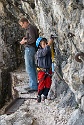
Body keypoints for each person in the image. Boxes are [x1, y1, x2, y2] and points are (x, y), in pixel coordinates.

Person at [19, 17, 39, 92]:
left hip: (30, 49)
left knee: (29, 67)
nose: (22, 27)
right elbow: (31, 38)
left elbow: (32, 39)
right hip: (32, 49)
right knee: (32, 66)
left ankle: (33, 86)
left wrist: (24, 42)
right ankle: (33, 84)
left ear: (25, 22)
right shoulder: (31, 28)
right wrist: (25, 38)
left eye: (22, 25)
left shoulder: (30, 28)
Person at [36, 36, 54, 102]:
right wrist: (49, 44)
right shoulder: (39, 52)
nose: (45, 45)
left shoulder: (48, 51)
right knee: (41, 84)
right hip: (42, 71)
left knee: (48, 83)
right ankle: (39, 95)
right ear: (39, 46)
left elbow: (49, 53)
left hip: (48, 70)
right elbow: (44, 52)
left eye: (45, 43)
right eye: (43, 44)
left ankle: (45, 95)